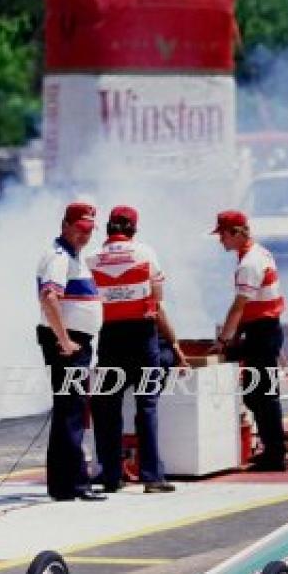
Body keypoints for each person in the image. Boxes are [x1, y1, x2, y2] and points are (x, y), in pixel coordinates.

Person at [89, 205, 181, 494]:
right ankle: (151, 477)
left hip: (109, 336)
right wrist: (175, 344)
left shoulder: (92, 259)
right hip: (142, 335)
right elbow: (157, 301)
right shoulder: (145, 253)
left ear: (108, 227)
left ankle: (111, 476)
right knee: (147, 405)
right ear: (133, 228)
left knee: (108, 407)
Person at [36, 202, 105, 502]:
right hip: (68, 343)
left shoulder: (73, 257)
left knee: (71, 410)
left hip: (74, 341)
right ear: (65, 225)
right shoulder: (58, 257)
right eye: (79, 229)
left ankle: (67, 483)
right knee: (71, 411)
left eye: (88, 230)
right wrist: (63, 339)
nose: (84, 235)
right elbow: (49, 297)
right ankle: (71, 485)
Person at [211, 210, 287, 472]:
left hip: (263, 333)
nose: (220, 240)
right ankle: (272, 450)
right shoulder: (259, 253)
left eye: (222, 234)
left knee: (262, 395)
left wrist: (223, 340)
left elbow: (239, 307)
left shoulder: (249, 264)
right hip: (264, 331)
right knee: (257, 395)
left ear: (236, 233)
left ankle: (275, 455)